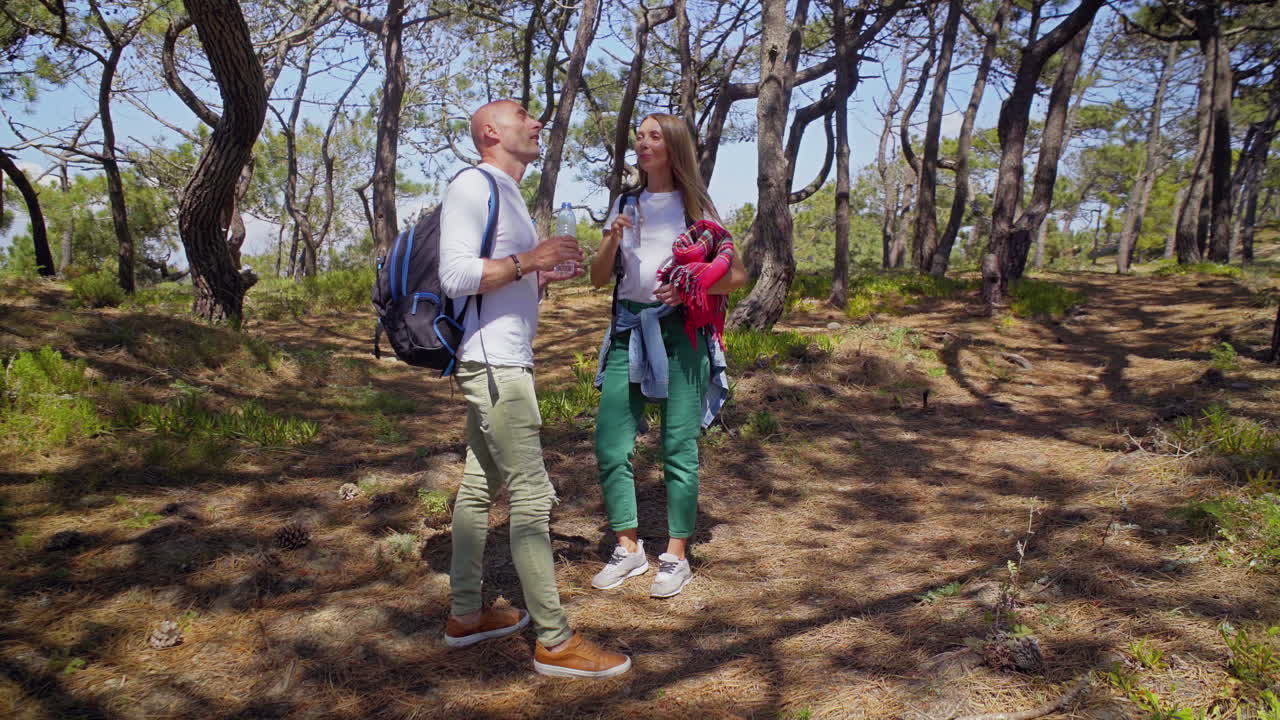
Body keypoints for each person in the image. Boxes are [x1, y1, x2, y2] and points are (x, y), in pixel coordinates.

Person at [437, 99, 631, 678]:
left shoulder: (510, 192)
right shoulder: (473, 185)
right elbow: (453, 276)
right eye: (524, 114)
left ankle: (466, 615)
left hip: (499, 360)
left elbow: (496, 277)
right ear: (491, 131)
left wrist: (538, 273)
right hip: (494, 366)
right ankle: (554, 639)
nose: (537, 122)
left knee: (478, 487)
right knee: (532, 494)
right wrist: (529, 259)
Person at [587, 113, 746, 598]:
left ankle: (676, 555)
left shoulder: (698, 209)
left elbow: (737, 276)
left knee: (678, 445)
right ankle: (629, 547)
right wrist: (612, 235)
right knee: (610, 442)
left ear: (673, 146)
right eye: (639, 135)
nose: (642, 143)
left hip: (681, 334)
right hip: (628, 329)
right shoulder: (626, 202)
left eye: (654, 136)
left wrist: (691, 287)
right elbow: (596, 279)